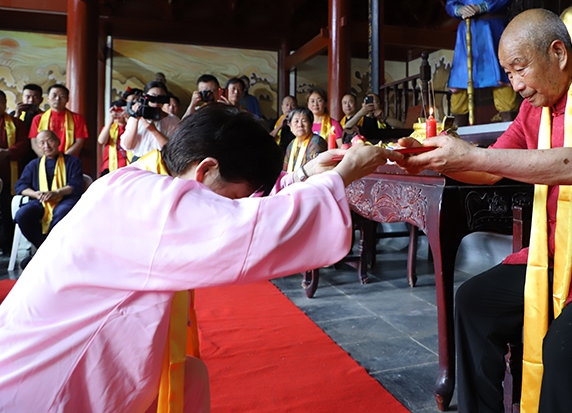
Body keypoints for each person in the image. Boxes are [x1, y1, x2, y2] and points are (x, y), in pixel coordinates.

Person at [0, 104, 402, 412]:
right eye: (238, 196)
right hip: (43, 389)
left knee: (190, 377)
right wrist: (340, 177)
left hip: (51, 361)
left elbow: (235, 207)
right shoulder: (153, 205)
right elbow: (250, 228)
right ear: (207, 168)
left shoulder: (139, 180)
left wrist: (301, 176)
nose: (238, 206)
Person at [399, 9, 572, 412]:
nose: (515, 86)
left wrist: (472, 156)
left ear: (558, 53)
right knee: (474, 301)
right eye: (508, 73)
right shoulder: (537, 107)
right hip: (557, 254)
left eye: (519, 69)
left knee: (563, 346)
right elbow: (491, 168)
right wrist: (438, 159)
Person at [445, 0, 519, 125]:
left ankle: (509, 124)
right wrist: (460, 10)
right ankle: (459, 128)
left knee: (500, 73)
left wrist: (481, 7)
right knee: (461, 78)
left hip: (491, 28)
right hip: (468, 31)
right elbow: (451, 2)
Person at [14, 129, 83, 250]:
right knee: (22, 214)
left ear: (58, 141)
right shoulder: (33, 165)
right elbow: (21, 186)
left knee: (63, 213)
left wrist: (56, 193)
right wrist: (35, 194)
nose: (46, 146)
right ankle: (43, 249)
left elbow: (76, 184)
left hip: (64, 200)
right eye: (42, 143)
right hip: (39, 201)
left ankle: (51, 250)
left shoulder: (73, 162)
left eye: (50, 141)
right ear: (38, 146)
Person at [121, 81, 181, 161]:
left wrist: (153, 130)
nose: (156, 101)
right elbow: (128, 146)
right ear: (144, 96)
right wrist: (136, 118)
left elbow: (172, 149)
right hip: (139, 162)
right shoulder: (135, 118)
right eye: (153, 97)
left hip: (162, 162)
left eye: (160, 98)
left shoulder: (172, 120)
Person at [0, 91, 29, 253]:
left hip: (9, 170)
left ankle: (6, 244)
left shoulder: (17, 123)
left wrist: (8, 152)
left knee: (7, 207)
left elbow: (24, 144)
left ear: (5, 103)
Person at [28, 84, 89, 158]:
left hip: (69, 159)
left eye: (62, 96)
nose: (57, 99)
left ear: (67, 99)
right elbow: (34, 142)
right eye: (54, 95)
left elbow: (79, 142)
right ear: (48, 98)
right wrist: (47, 158)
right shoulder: (38, 119)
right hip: (45, 160)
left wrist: (64, 157)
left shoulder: (77, 118)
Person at [284, 107, 327, 172]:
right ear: (290, 126)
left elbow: (312, 169)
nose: (300, 125)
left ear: (311, 124)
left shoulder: (316, 142)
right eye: (296, 121)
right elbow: (285, 169)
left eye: (304, 121)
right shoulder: (291, 145)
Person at [97, 100, 130, 176]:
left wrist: (128, 118)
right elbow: (101, 141)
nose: (118, 113)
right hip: (110, 166)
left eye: (120, 110)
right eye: (116, 111)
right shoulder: (110, 128)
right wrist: (110, 120)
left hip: (128, 165)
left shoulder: (131, 126)